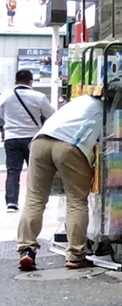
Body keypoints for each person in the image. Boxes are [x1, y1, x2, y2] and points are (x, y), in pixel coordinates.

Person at [15, 94, 104, 272]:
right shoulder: (105, 110)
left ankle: (27, 249)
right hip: (70, 145)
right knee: (76, 201)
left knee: (34, 198)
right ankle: (75, 255)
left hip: (40, 141)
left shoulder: (79, 101)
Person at [1, 69, 55, 213]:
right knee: (35, 170)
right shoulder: (39, 96)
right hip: (33, 138)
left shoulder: (5, 96)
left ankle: (12, 202)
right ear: (31, 82)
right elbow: (52, 114)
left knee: (13, 171)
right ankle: (36, 199)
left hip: (11, 137)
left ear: (15, 81)